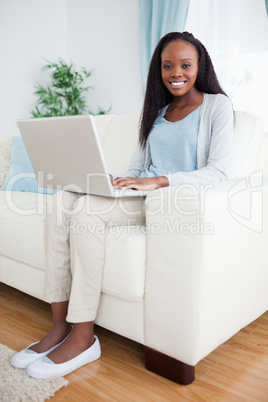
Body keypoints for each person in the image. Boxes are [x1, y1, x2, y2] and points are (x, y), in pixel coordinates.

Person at [11, 31, 233, 379]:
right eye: (167, 65)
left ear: (199, 66)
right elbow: (137, 169)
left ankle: (84, 337)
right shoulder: (158, 112)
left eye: (185, 65)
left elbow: (218, 171)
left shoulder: (217, 105)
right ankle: (58, 327)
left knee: (85, 212)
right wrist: (110, 179)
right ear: (158, 70)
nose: (177, 72)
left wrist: (158, 180)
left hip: (166, 201)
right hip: (138, 192)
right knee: (60, 202)